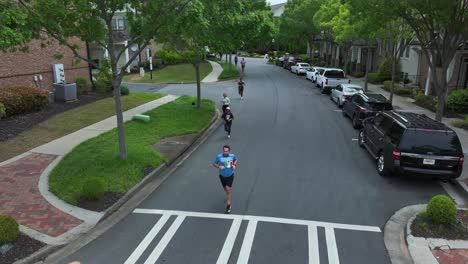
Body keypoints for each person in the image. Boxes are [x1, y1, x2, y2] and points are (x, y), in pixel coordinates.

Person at [212, 145, 238, 214]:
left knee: (228, 189)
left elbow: (236, 160)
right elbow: (214, 164)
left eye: (226, 151)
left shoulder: (232, 156)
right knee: (226, 190)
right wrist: (219, 166)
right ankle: (228, 195)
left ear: (229, 151)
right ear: (222, 150)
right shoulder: (219, 157)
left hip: (230, 175)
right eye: (224, 151)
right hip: (222, 176)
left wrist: (234, 165)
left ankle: (228, 205)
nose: (225, 152)